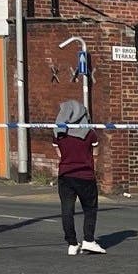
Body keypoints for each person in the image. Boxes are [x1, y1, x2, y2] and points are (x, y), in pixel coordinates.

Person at [53, 99, 104, 255]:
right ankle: (88, 240)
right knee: (90, 208)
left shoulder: (58, 133)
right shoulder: (89, 132)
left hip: (65, 175)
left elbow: (59, 154)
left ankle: (72, 243)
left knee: (67, 210)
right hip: (85, 175)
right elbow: (96, 152)